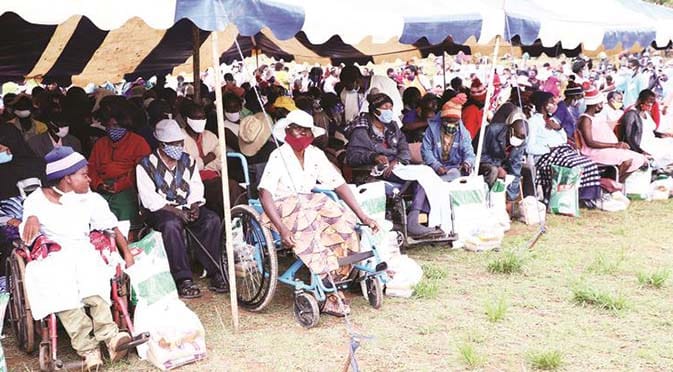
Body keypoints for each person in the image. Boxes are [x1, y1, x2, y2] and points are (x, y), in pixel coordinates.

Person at [20, 147, 133, 370]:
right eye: (83, 174)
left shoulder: (92, 199)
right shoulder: (36, 200)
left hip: (83, 251)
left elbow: (110, 226)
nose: (90, 178)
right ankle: (88, 350)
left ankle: (111, 338)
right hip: (54, 256)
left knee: (93, 280)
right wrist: (31, 218)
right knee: (62, 289)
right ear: (67, 178)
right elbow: (27, 232)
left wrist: (127, 254)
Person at [258, 109, 378, 317]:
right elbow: (264, 193)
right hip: (283, 205)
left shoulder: (315, 154)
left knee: (344, 223)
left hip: (309, 200)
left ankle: (337, 281)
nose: (301, 135)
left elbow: (338, 184)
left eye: (306, 131)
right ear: (287, 130)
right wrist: (282, 229)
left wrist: (363, 216)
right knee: (311, 224)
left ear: (312, 134)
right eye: (296, 130)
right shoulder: (278, 155)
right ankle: (326, 287)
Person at [136, 119, 227, 298]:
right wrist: (176, 211)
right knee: (170, 225)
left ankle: (215, 271)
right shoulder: (145, 165)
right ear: (162, 145)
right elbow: (149, 199)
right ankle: (183, 279)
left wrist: (194, 206)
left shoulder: (189, 161)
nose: (178, 147)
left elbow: (196, 186)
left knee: (211, 219)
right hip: (161, 210)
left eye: (180, 143)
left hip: (186, 205)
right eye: (173, 144)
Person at [345, 93, 441, 238]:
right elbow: (352, 156)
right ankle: (413, 222)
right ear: (375, 110)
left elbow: (403, 148)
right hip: (373, 171)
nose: (389, 111)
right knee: (420, 176)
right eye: (385, 108)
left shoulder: (393, 126)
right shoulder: (361, 130)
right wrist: (374, 156)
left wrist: (397, 161)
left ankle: (417, 220)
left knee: (425, 174)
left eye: (391, 107)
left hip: (396, 167)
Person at [527, 91, 602, 205]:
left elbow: (563, 140)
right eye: (551, 101)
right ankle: (566, 199)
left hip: (563, 151)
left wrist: (558, 128)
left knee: (590, 164)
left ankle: (586, 198)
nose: (555, 104)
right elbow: (529, 148)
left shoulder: (553, 120)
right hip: (547, 156)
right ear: (544, 105)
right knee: (574, 166)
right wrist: (548, 149)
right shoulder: (533, 122)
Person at [88, 98, 150, 229]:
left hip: (128, 187)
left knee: (125, 213)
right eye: (110, 126)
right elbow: (91, 168)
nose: (112, 129)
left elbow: (141, 171)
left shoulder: (139, 142)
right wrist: (98, 184)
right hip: (101, 188)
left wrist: (119, 185)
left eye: (117, 126)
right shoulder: (100, 143)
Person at [577, 87, 647, 182]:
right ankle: (610, 185)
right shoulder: (586, 119)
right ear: (596, 105)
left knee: (640, 159)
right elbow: (590, 143)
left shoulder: (597, 117)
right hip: (594, 152)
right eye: (601, 103)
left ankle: (616, 184)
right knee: (627, 161)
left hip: (607, 149)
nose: (602, 106)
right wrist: (615, 145)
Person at [479, 104, 529, 213]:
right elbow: (479, 154)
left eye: (522, 137)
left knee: (528, 169)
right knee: (494, 171)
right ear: (510, 129)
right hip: (484, 163)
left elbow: (515, 167)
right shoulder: (492, 130)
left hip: (504, 165)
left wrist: (510, 199)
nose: (519, 139)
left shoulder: (521, 143)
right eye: (517, 135)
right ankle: (486, 203)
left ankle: (525, 205)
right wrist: (497, 166)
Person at [421, 93, 475, 182]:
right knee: (423, 181)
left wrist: (467, 163)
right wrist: (436, 165)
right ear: (442, 119)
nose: (451, 124)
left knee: (455, 175)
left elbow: (469, 152)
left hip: (454, 168)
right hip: (433, 167)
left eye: (455, 122)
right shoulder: (431, 130)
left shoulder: (463, 134)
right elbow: (425, 150)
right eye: (448, 121)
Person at [619, 89, 673, 169]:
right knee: (668, 151)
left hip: (651, 141)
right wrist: (641, 152)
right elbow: (630, 138)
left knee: (670, 143)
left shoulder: (645, 112)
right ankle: (654, 167)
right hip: (642, 145)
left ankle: (659, 168)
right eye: (648, 104)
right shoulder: (632, 114)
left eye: (652, 104)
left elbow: (649, 131)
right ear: (640, 101)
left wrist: (663, 135)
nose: (650, 107)